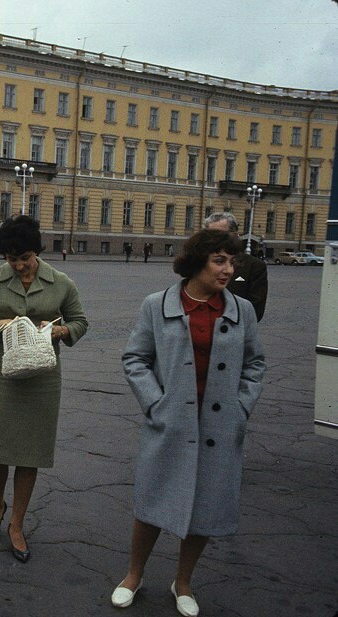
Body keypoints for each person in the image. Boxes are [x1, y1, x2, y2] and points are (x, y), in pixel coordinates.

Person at [111, 229, 265, 616]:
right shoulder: (156, 305)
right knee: (151, 503)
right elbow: (135, 358)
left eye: (232, 262)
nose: (229, 269)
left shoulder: (241, 310)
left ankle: (183, 582)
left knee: (205, 508)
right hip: (172, 422)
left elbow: (255, 364)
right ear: (198, 262)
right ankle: (134, 575)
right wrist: (155, 404)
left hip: (218, 427)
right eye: (220, 260)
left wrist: (240, 408)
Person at [0, 215, 88, 563]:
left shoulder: (61, 282)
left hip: (43, 379)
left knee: (30, 452)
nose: (19, 266)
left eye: (25, 258)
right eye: (11, 259)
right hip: (4, 374)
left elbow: (80, 321)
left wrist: (60, 332)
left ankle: (17, 524)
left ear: (37, 252)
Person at [203, 212, 268, 321]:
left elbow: (255, 311)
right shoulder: (200, 262)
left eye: (219, 235)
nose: (213, 240)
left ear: (235, 235)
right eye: (209, 235)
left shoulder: (253, 266)